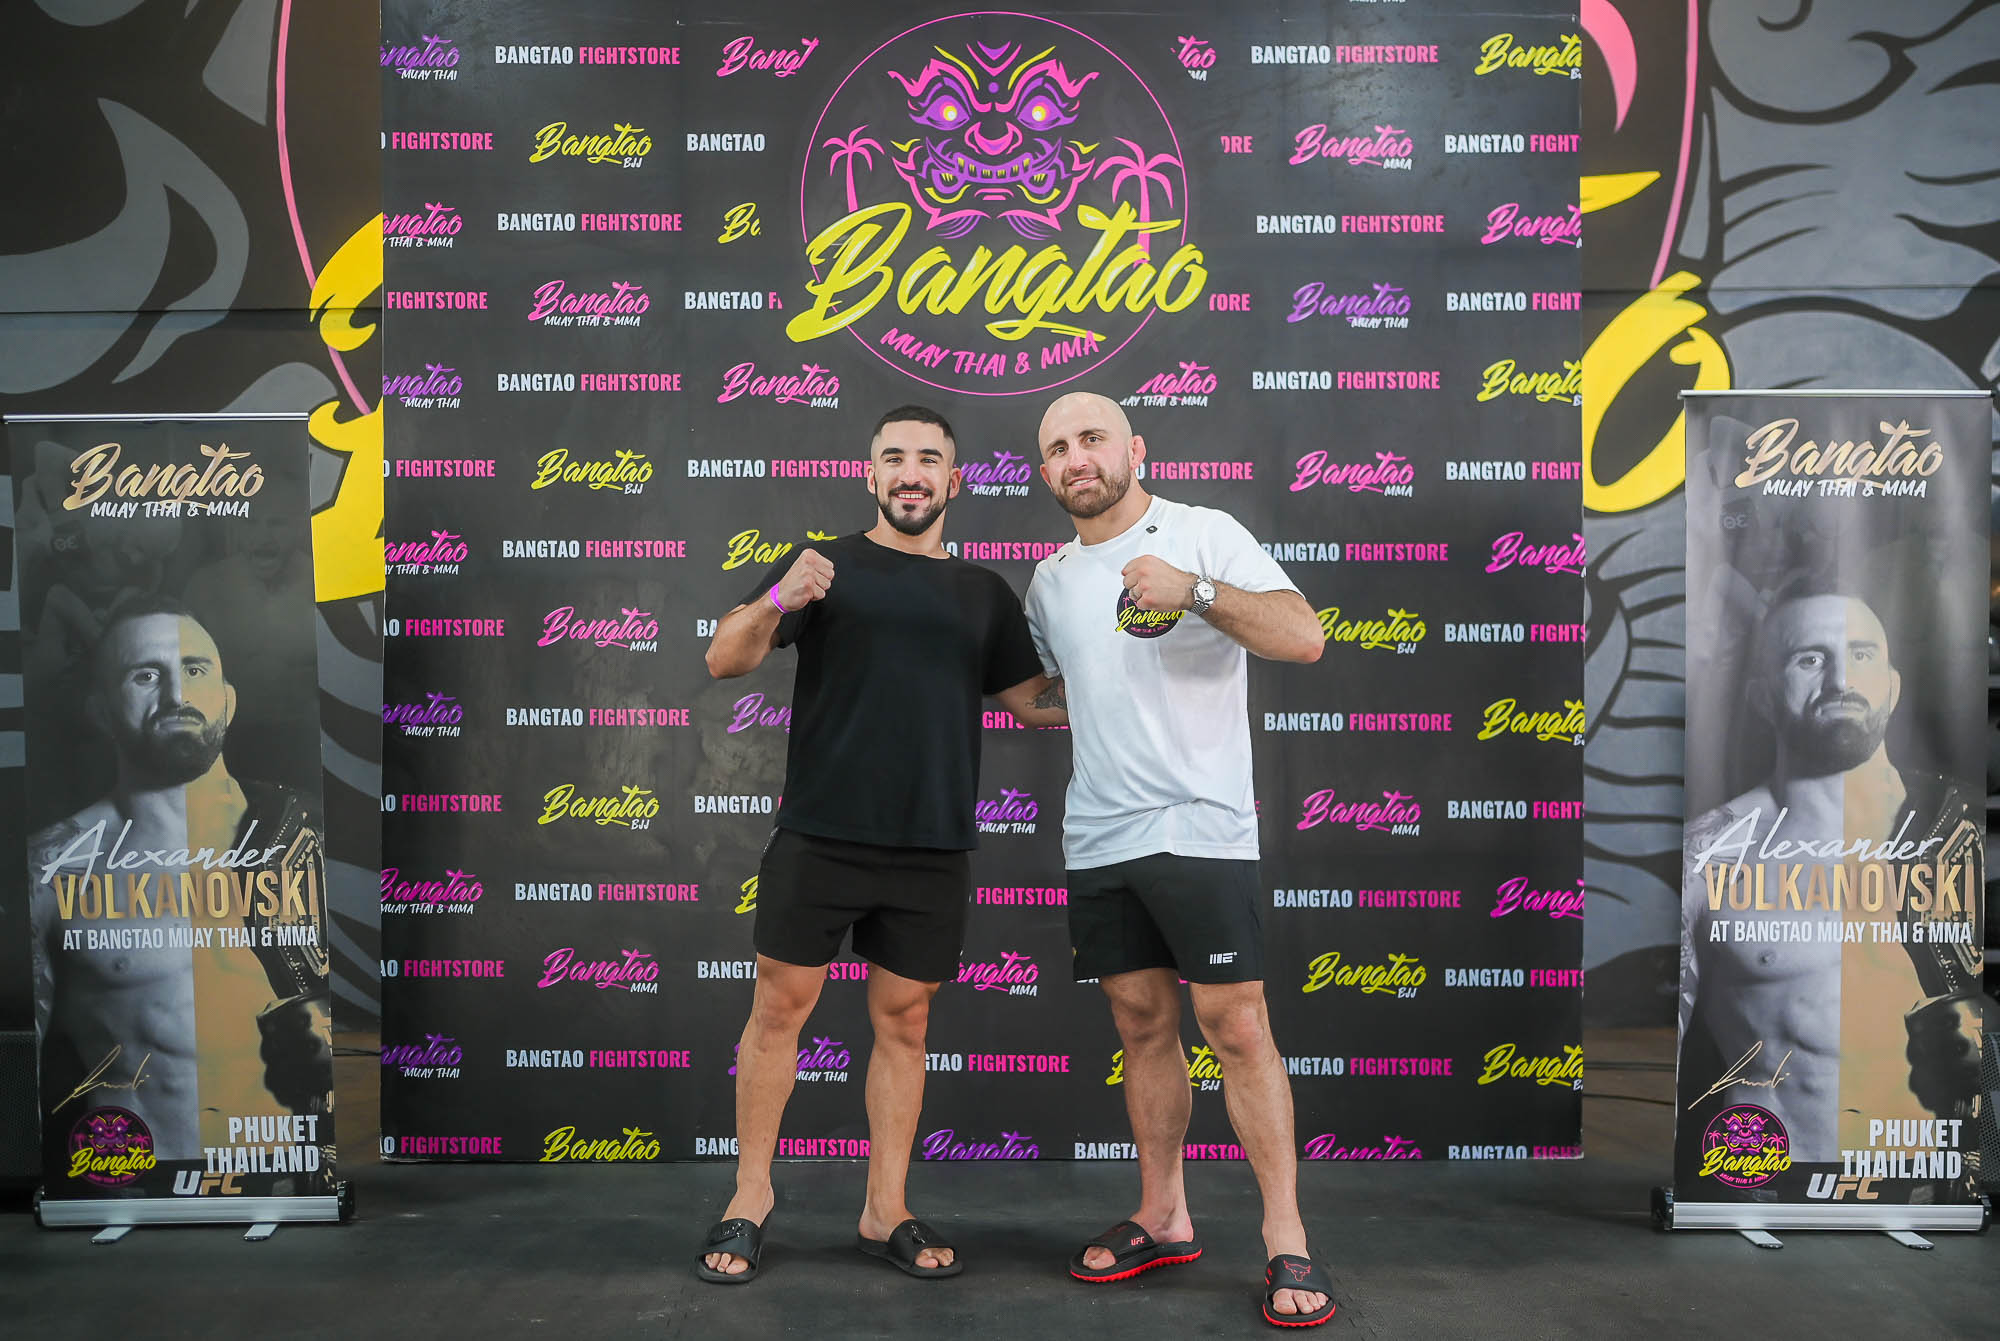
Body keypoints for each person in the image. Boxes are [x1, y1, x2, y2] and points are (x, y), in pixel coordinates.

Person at [695, 404, 1064, 1284]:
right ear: (871, 475)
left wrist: (1133, 671)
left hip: (931, 845)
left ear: (954, 480)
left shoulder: (983, 591)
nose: (910, 472)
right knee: (777, 1013)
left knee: (906, 1023)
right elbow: (723, 658)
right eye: (894, 457)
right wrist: (779, 598)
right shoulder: (821, 565)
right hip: (820, 834)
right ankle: (750, 1196)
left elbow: (1034, 701)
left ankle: (884, 1208)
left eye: (928, 459)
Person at [1022, 392, 1334, 1328]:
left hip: (1200, 828)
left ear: (1135, 448)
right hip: (1100, 836)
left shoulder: (1204, 531)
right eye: (1057, 448)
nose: (1076, 458)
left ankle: (1286, 1236)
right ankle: (1163, 1214)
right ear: (1045, 470)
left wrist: (1194, 591)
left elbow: (1304, 635)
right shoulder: (1049, 581)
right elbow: (1053, 696)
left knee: (1236, 1026)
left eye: (1092, 439)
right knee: (1142, 1025)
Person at [1680, 586, 1986, 1168]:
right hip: (1769, 1179)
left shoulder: (1961, 829)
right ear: (1762, 697)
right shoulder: (1710, 854)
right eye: (1810, 659)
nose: (1841, 680)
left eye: (1862, 655)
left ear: (1892, 687)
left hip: (1928, 1183)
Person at [28, 596, 331, 1169]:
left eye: (195, 670)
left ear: (228, 701)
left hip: (287, 1178)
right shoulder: (53, 867)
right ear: (99, 711)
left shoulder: (307, 836)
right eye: (146, 675)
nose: (177, 696)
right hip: (132, 1179)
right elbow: (28, 1073)